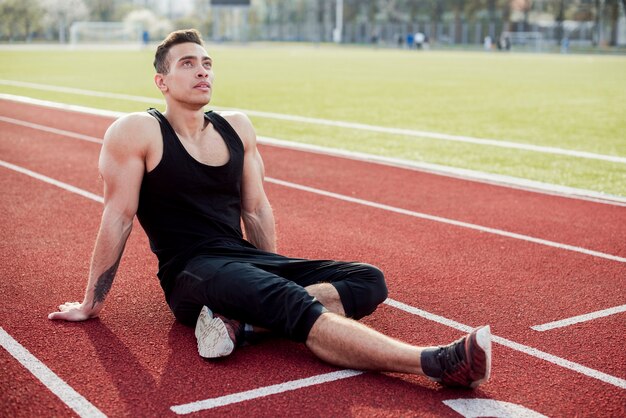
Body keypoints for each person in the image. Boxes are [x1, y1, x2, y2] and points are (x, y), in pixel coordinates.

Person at [48, 29, 492, 389]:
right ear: (161, 82)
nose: (202, 71)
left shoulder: (236, 127)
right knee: (291, 302)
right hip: (192, 272)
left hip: (244, 260)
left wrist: (270, 268)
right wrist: (92, 302)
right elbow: (118, 217)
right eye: (187, 63)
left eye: (206, 63)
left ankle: (242, 327)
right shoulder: (137, 131)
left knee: (368, 280)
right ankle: (435, 363)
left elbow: (256, 209)